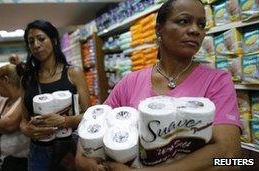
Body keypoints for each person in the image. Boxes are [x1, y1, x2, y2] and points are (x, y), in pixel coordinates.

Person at [76, 0, 242, 171]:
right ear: (159, 29)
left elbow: (230, 156)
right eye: (184, 21)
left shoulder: (217, 81)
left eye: (201, 24)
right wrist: (82, 157)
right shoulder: (130, 82)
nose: (195, 30)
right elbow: (94, 123)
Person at [19, 20, 90, 171]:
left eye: (41, 38)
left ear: (54, 40)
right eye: (31, 42)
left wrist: (65, 120)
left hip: (69, 148)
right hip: (38, 152)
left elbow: (89, 115)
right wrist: (27, 130)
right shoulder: (27, 79)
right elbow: (23, 121)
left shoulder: (73, 73)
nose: (36, 45)